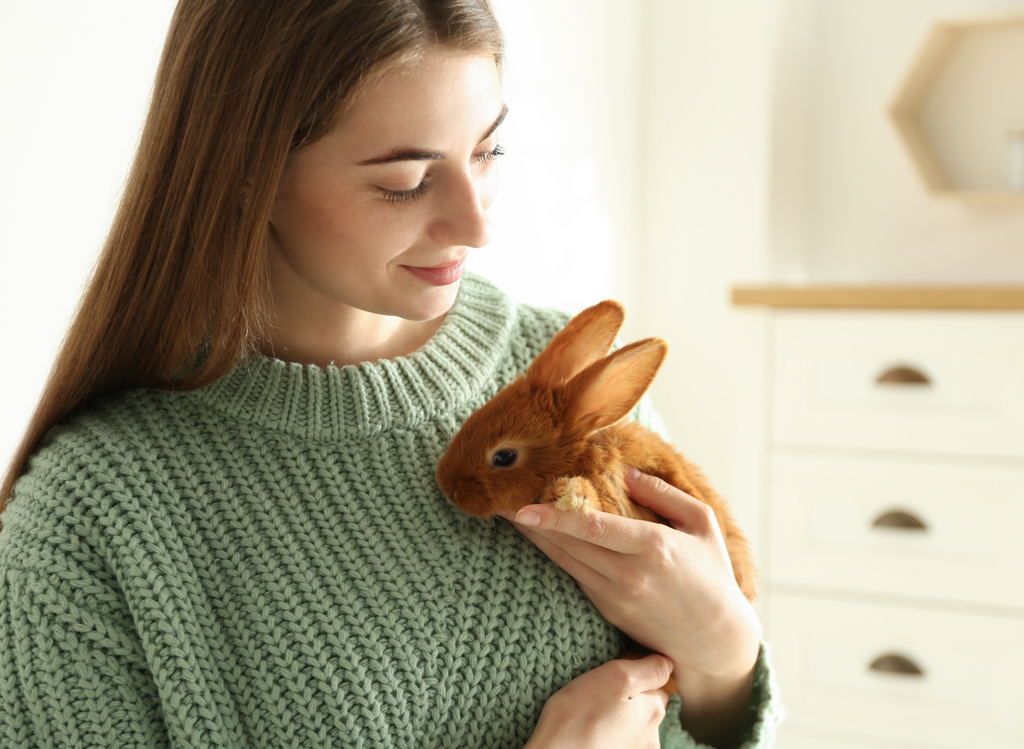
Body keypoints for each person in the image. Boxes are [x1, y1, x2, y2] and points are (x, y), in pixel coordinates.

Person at [0, 1, 781, 747]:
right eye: (405, 181)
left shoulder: (552, 389)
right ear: (244, 172)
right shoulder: (94, 516)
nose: (477, 223)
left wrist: (721, 658)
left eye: (489, 151)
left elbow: (702, 715)